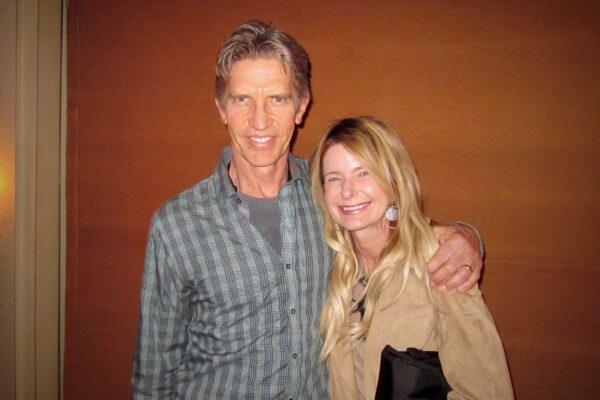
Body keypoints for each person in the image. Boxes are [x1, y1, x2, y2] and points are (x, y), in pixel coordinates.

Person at [131, 20, 484, 399]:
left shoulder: (330, 193)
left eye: (278, 99)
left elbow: (393, 226)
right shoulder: (177, 225)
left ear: (301, 106)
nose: (260, 120)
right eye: (242, 99)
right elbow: (154, 373)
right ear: (221, 108)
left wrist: (463, 236)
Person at [309, 116, 513, 400]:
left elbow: (488, 392)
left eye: (364, 172)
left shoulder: (440, 262)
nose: (348, 191)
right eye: (334, 178)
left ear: (393, 179)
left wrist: (468, 237)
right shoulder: (332, 264)